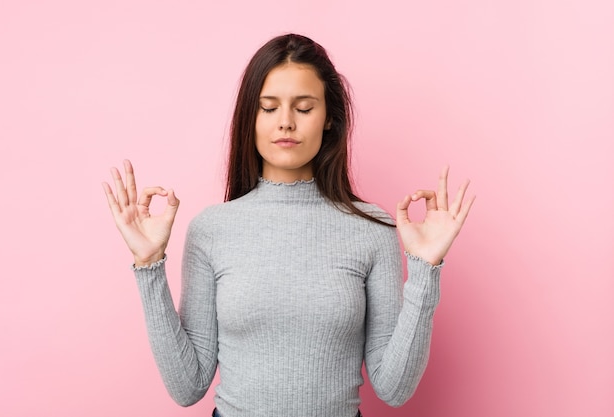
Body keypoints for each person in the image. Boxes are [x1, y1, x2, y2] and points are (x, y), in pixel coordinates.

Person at [102, 33, 474, 417]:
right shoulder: (212, 230)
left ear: (329, 117)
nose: (285, 123)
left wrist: (426, 270)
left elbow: (394, 389)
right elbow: (187, 386)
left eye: (304, 107)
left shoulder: (373, 229)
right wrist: (148, 264)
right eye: (268, 107)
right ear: (251, 116)